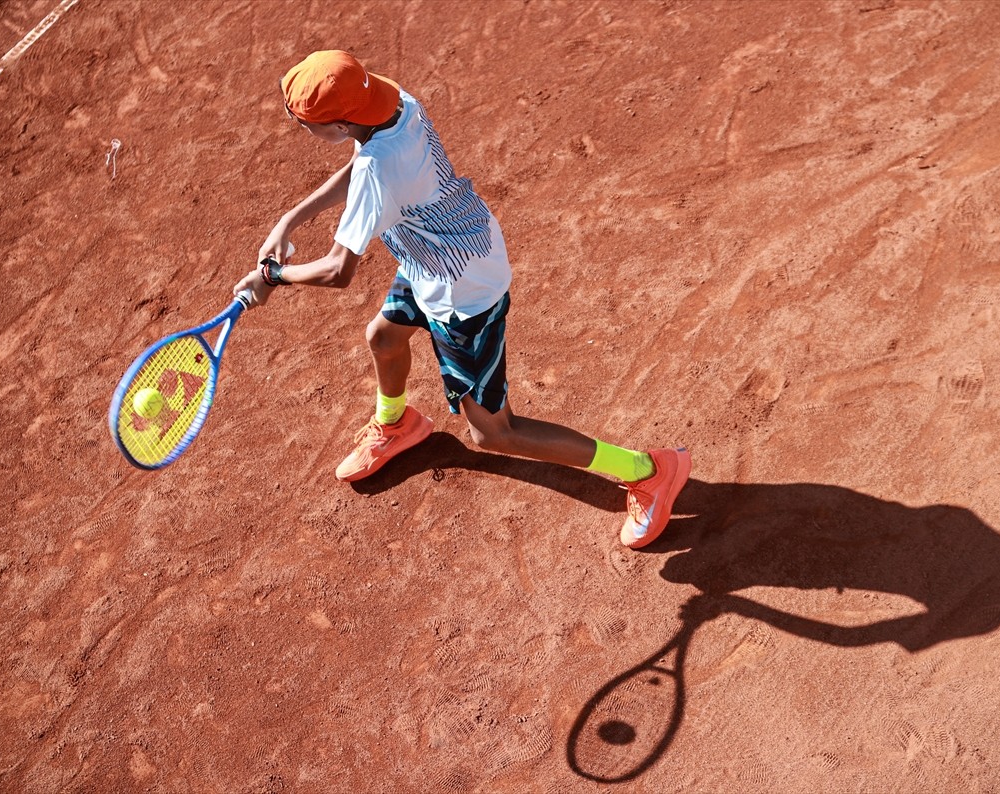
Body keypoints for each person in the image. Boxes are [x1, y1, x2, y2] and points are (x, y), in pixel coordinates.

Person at [233, 50, 689, 549]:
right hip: (435, 254)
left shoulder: (380, 173)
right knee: (384, 337)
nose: (302, 130)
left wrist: (272, 278)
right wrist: (289, 220)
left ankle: (647, 470)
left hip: (462, 291)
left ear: (340, 124)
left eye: (305, 124)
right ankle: (397, 423)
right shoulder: (394, 104)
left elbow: (338, 270)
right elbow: (361, 164)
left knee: (495, 433)